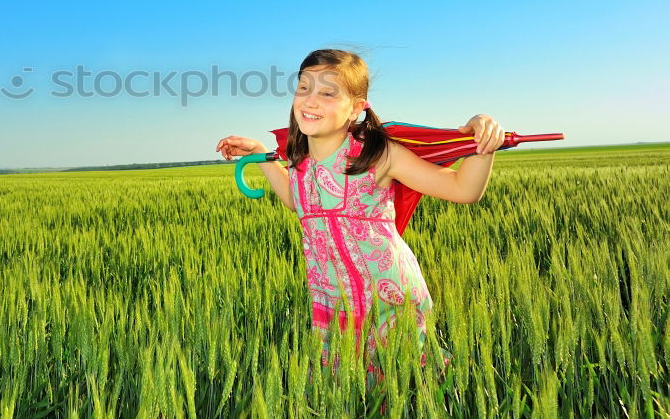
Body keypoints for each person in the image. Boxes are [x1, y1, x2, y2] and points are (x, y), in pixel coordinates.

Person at [214, 48, 505, 386]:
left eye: (327, 92)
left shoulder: (376, 154)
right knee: (346, 389)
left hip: (389, 296)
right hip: (331, 300)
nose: (309, 100)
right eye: (304, 88)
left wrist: (481, 142)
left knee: (407, 382)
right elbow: (301, 203)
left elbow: (462, 189)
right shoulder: (299, 159)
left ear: (357, 106)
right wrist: (260, 156)